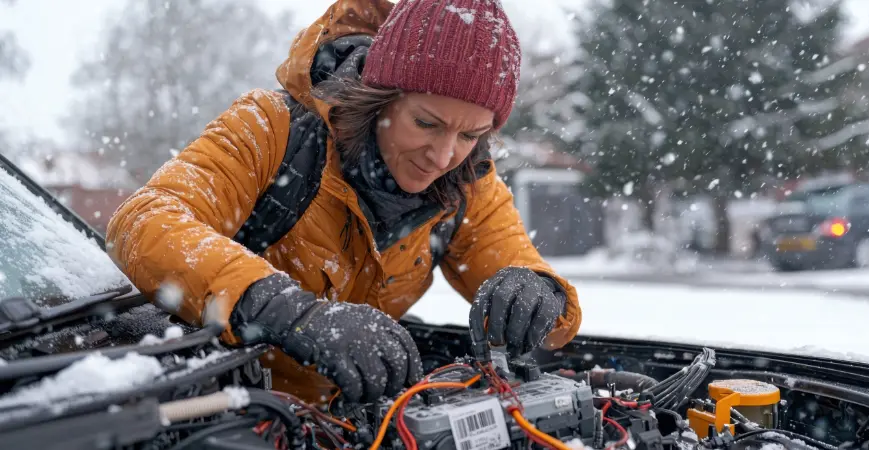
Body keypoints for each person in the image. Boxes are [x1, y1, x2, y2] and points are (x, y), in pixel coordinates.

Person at [106, 0, 582, 405]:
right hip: (231, 408)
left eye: (471, 135)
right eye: (427, 123)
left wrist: (541, 294)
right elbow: (144, 223)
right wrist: (286, 310)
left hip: (354, 422)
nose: (443, 156)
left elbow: (547, 307)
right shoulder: (272, 131)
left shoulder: (468, 183)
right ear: (380, 97)